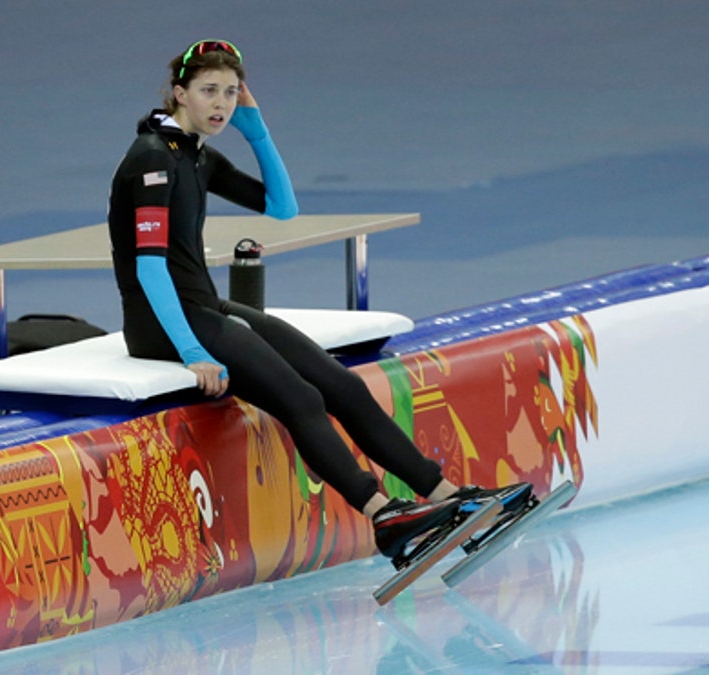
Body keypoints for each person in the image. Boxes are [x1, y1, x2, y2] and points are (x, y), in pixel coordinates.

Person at [107, 39, 531, 563]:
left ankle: (448, 498)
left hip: (203, 304)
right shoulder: (153, 158)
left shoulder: (196, 155)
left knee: (340, 383)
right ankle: (385, 517)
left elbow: (282, 207)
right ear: (179, 93)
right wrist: (193, 352)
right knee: (302, 398)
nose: (221, 104)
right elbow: (150, 269)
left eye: (231, 93)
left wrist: (254, 128)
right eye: (209, 91)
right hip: (162, 321)